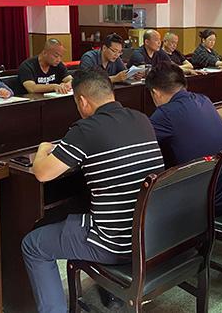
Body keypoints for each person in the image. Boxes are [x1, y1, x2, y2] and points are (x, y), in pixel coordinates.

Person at [21, 69, 164, 313]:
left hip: (115, 244)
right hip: (150, 235)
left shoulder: (86, 129)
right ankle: (111, 293)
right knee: (82, 208)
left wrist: (43, 148)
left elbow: (42, 173)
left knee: (33, 244)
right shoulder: (141, 118)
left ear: (82, 101)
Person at [146, 61, 222, 214]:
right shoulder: (204, 100)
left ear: (156, 93)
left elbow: (142, 144)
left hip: (207, 203)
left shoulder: (166, 114)